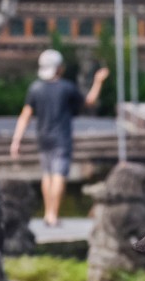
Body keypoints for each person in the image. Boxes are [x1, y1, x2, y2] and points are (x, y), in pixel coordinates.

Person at [10, 49, 109, 224]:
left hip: (43, 138)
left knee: (47, 175)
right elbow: (89, 102)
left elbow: (25, 115)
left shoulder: (35, 88)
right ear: (59, 68)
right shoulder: (66, 88)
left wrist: (16, 140)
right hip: (61, 139)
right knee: (58, 175)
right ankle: (53, 215)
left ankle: (48, 213)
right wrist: (98, 81)